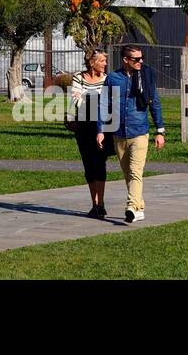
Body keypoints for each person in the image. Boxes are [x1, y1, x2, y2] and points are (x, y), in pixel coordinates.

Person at [97, 46, 165, 224]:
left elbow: (155, 103)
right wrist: (101, 130)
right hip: (119, 134)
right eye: (136, 59)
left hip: (139, 132)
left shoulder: (146, 76)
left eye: (141, 58)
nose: (140, 62)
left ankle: (130, 207)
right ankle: (139, 208)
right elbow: (103, 104)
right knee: (128, 174)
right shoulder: (113, 78)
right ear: (126, 60)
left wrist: (160, 131)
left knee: (136, 172)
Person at [67, 49, 111, 218]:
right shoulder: (79, 77)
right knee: (88, 164)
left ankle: (101, 203)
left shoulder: (108, 79)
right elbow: (75, 99)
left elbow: (108, 101)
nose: (105, 64)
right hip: (83, 126)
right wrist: (97, 101)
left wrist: (89, 99)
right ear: (93, 63)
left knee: (99, 163)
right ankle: (95, 204)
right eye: (102, 61)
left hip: (102, 126)